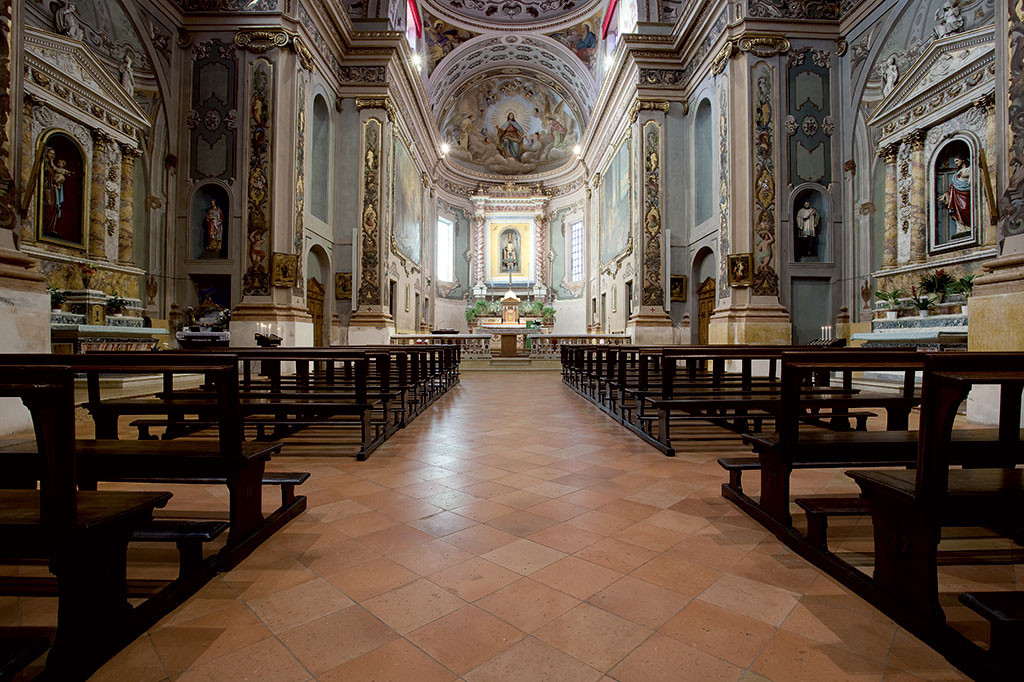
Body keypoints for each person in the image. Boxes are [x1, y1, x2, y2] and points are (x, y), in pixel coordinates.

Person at [940, 155, 971, 228]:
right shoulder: (957, 173)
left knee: (967, 209)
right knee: (959, 213)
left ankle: (969, 227)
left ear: (962, 160)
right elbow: (953, 186)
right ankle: (962, 228)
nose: (956, 163)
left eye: (957, 161)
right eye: (954, 162)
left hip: (966, 194)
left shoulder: (969, 169)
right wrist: (947, 195)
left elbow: (972, 181)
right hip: (957, 196)